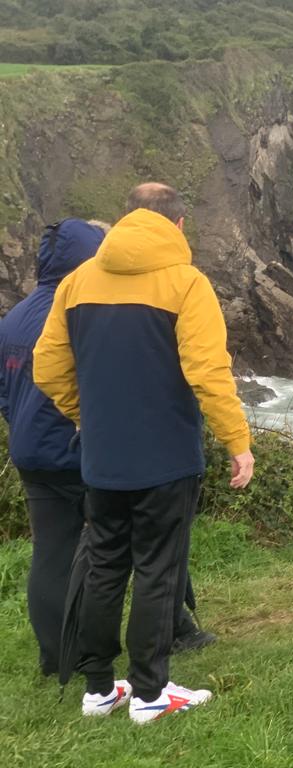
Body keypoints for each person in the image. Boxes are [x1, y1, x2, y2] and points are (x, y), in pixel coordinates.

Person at [34, 183, 254, 724]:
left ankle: (99, 690)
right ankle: (153, 693)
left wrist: (87, 418)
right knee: (159, 568)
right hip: (167, 459)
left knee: (105, 565)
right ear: (179, 225)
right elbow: (208, 372)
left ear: (127, 217)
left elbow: (47, 368)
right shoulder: (186, 282)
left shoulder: (77, 282)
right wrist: (237, 442)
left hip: (103, 459)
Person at [0, 219, 104, 677]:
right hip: (76, 450)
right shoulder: (77, 311)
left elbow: (4, 392)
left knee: (51, 554)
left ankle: (55, 656)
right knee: (142, 534)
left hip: (30, 451)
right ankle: (175, 628)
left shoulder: (15, 316)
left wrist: (22, 426)